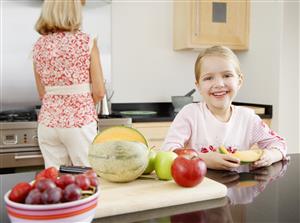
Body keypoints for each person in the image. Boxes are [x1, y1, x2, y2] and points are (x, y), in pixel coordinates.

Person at [161, 46, 287, 170]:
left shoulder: (248, 118)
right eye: (209, 78)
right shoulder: (190, 114)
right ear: (198, 86)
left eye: (227, 75)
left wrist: (270, 155)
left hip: (238, 188)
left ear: (239, 81)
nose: (219, 84)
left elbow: (279, 144)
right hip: (199, 188)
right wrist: (202, 158)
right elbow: (168, 151)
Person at [33, 0, 105, 168]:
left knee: (55, 180)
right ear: (74, 10)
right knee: (86, 178)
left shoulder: (39, 45)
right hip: (79, 123)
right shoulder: (87, 42)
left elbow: (42, 93)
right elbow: (100, 91)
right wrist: (80, 105)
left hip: (48, 123)